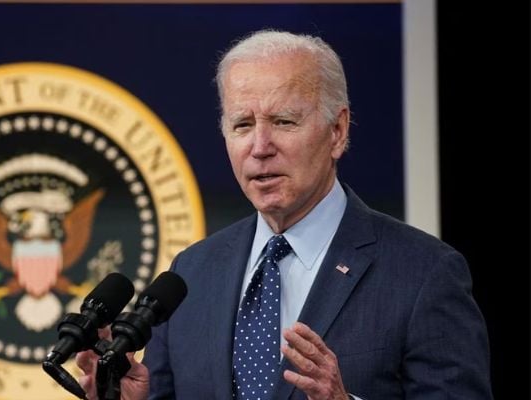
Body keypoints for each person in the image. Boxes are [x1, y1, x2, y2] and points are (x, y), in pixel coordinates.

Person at [76, 29, 493, 399]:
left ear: (337, 131)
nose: (259, 146)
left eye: (283, 121)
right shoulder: (192, 274)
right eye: (242, 124)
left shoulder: (424, 273)